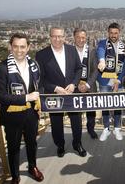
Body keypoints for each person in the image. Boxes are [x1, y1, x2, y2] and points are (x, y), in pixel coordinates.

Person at [0, 33, 44, 183]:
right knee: (14, 146)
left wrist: (39, 98)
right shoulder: (1, 68)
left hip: (31, 113)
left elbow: (39, 85)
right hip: (12, 115)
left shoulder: (34, 65)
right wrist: (26, 98)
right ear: (10, 47)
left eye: (22, 46)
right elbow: (0, 96)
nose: (19, 50)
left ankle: (32, 167)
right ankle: (15, 175)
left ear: (28, 47)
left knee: (32, 143)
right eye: (15, 46)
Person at [36, 27, 87, 158]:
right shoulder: (41, 55)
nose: (57, 39)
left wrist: (74, 84)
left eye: (60, 36)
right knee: (56, 122)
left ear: (64, 37)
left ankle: (77, 144)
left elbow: (78, 69)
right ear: (50, 37)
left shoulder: (71, 50)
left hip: (71, 92)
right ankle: (60, 145)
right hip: (54, 94)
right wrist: (55, 88)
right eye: (54, 36)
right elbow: (41, 79)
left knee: (76, 120)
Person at [97, 22, 125, 141]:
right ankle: (106, 128)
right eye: (111, 33)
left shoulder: (123, 46)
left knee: (118, 104)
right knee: (105, 104)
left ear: (119, 33)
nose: (113, 35)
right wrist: (101, 60)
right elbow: (100, 50)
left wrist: (118, 81)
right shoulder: (103, 43)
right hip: (105, 80)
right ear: (108, 33)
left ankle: (117, 128)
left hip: (117, 81)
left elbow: (124, 66)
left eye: (115, 33)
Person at [73, 28, 98, 139]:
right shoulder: (69, 51)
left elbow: (95, 70)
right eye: (78, 37)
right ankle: (77, 133)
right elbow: (68, 71)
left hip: (89, 86)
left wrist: (87, 85)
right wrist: (76, 84)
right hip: (75, 86)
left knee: (91, 111)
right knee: (76, 113)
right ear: (74, 38)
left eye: (83, 37)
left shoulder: (92, 50)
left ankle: (91, 129)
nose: (81, 40)